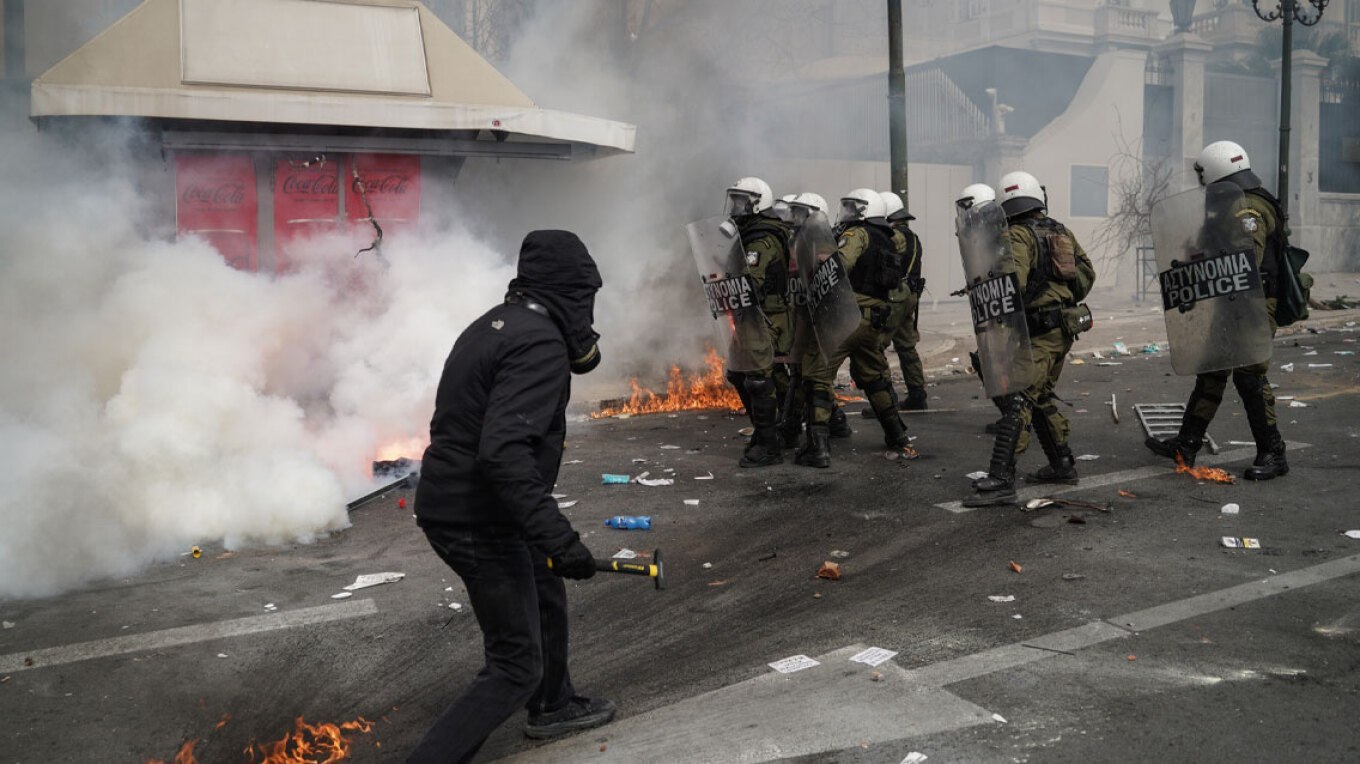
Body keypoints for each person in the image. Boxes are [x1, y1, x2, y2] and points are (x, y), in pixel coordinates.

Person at [409, 230, 614, 763]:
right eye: (585, 297)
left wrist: (544, 541)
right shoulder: (540, 343)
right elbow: (502, 452)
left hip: (463, 502)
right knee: (513, 665)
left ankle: (554, 702)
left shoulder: (491, 326)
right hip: (476, 516)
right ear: (569, 293)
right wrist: (559, 537)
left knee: (543, 578)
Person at [1145, 141, 1289, 480]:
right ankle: (1186, 445)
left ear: (1214, 172)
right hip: (1232, 301)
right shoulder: (1234, 203)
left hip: (1252, 305)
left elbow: (1245, 260)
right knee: (1211, 370)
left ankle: (1274, 452)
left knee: (1250, 376)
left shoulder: (1248, 209)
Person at [966, 172, 1095, 507]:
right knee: (1039, 397)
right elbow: (1086, 276)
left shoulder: (1016, 236)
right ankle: (1062, 463)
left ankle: (1001, 480)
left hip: (1038, 332)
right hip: (1061, 329)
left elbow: (1012, 285)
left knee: (1019, 398)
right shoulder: (1060, 231)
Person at [797, 188, 914, 468]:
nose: (848, 213)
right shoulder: (890, 238)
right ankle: (898, 436)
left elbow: (841, 265)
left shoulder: (857, 234)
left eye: (854, 208)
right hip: (874, 321)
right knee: (874, 377)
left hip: (847, 316)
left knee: (818, 375)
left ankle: (818, 448)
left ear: (866, 212)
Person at [722, 177, 793, 467]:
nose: (735, 207)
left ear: (757, 203)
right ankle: (775, 431)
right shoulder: (749, 234)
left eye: (741, 201)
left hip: (764, 315)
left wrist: (733, 287)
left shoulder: (760, 239)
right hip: (754, 315)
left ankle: (769, 445)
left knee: (756, 378)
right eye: (734, 200)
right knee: (740, 374)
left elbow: (752, 281)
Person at [880, 191, 929, 412]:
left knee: (876, 346)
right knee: (906, 345)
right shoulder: (912, 236)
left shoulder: (894, 237)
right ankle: (917, 393)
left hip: (894, 297)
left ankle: (884, 400)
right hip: (909, 296)